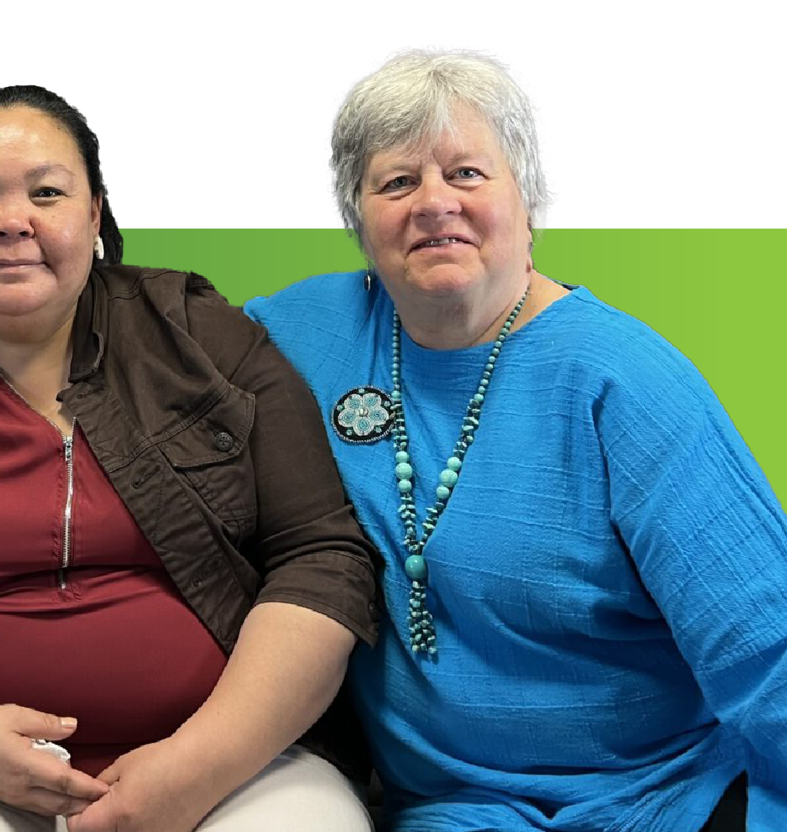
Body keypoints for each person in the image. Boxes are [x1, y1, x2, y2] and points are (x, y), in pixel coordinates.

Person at [0, 85, 381, 832]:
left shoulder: (203, 342)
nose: (11, 222)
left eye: (47, 193)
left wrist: (195, 769)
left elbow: (321, 556)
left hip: (232, 768)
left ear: (93, 215)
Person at [245, 50, 787, 831]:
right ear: (357, 220)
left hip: (664, 793)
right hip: (452, 810)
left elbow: (765, 641)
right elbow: (148, 352)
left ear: (526, 200)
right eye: (396, 182)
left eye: (466, 174)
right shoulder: (303, 332)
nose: (434, 204)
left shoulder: (624, 381)